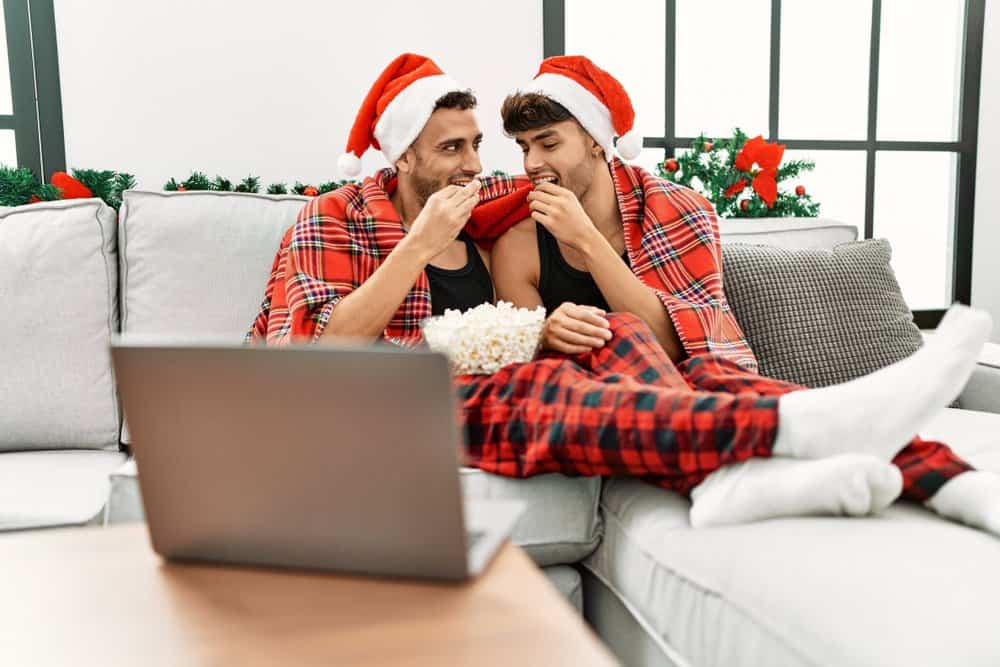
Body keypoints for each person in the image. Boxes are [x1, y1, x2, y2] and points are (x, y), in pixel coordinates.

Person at [248, 53, 999, 536]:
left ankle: (944, 477)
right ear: (402, 151)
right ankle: (783, 431)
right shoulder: (334, 217)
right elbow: (319, 351)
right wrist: (419, 247)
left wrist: (548, 322)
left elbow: (670, 333)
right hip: (396, 398)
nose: (478, 164)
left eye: (480, 145)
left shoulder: (501, 201)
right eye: (454, 148)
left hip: (533, 369)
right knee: (557, 390)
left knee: (624, 338)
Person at [489, 55, 999, 530]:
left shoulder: (679, 211)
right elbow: (535, 368)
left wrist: (585, 239)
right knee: (617, 331)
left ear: (597, 141)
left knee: (730, 380)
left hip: (689, 378)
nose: (532, 162)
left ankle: (954, 481)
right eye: (523, 146)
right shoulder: (517, 245)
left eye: (548, 143)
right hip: (603, 400)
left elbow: (678, 342)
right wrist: (548, 331)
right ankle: (739, 467)